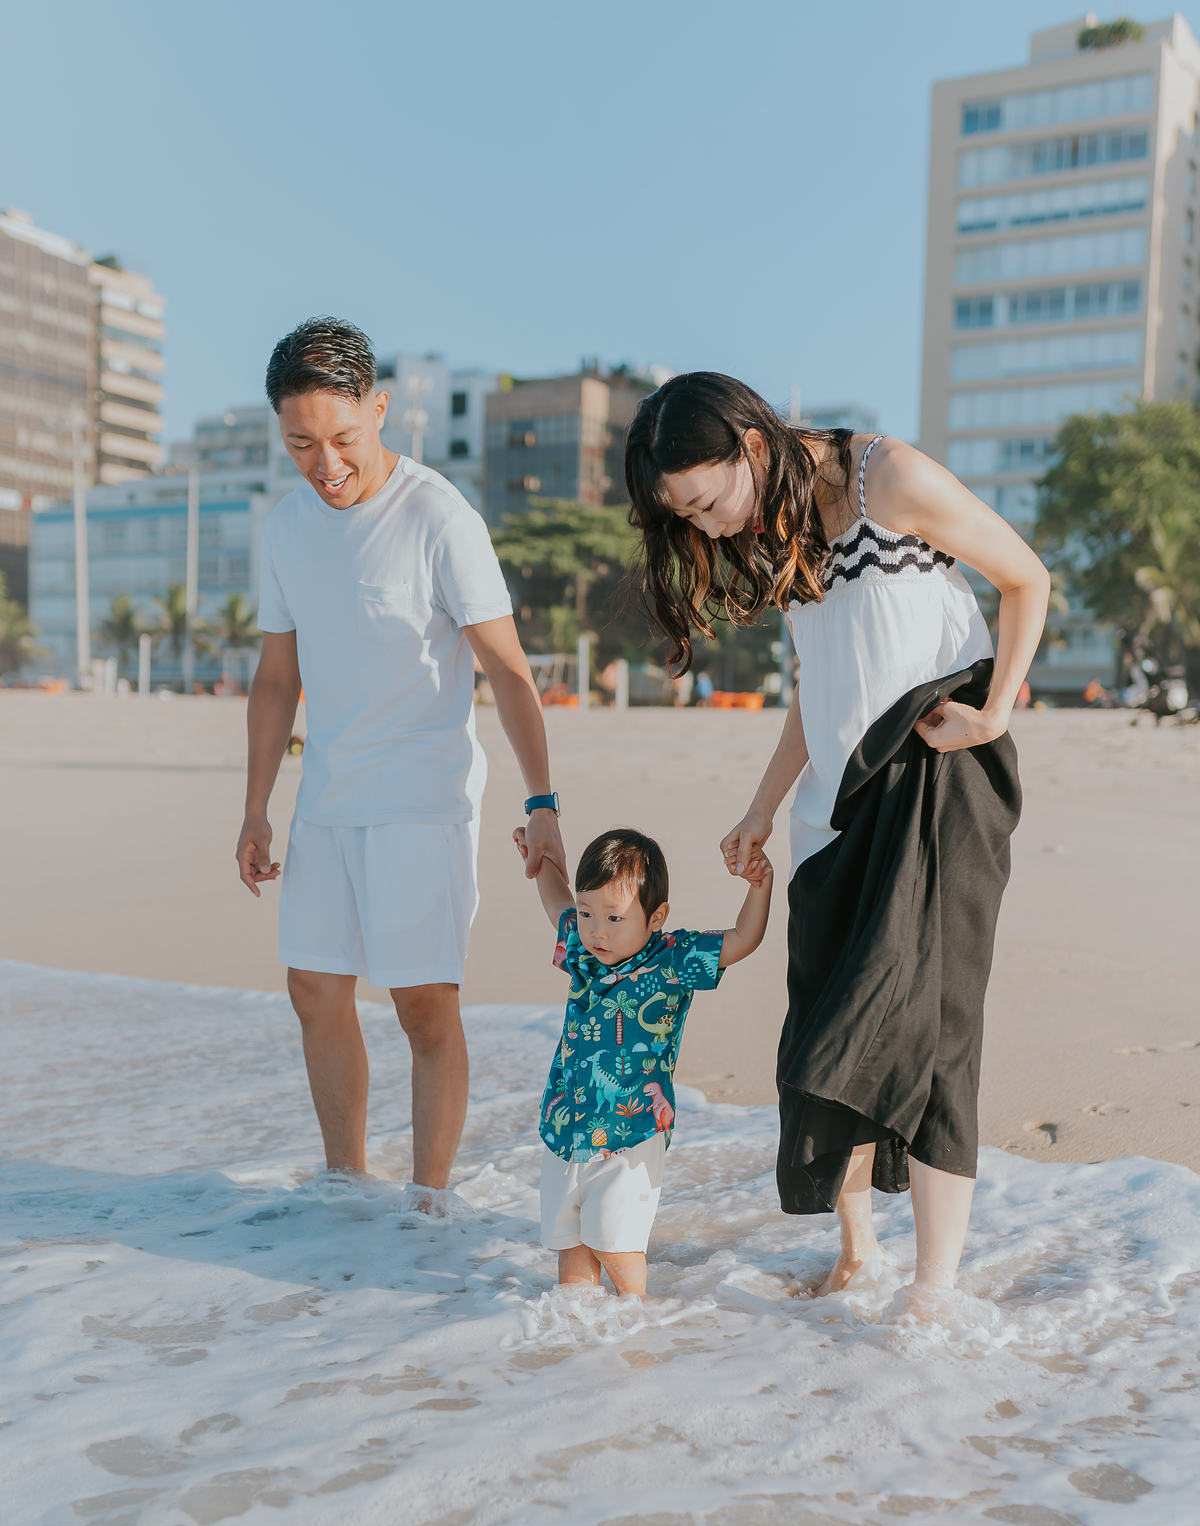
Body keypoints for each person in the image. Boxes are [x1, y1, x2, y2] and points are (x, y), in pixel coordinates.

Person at [624, 372, 1049, 1309]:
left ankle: (933, 1291)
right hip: (836, 803)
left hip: (939, 776)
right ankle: (860, 1253)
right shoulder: (782, 528)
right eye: (684, 516)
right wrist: (761, 807)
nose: (706, 526)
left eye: (706, 499)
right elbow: (818, 690)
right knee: (824, 1026)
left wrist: (995, 714)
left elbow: (1027, 578)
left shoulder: (887, 478)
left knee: (935, 1031)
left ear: (752, 441)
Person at [236, 317, 566, 1209]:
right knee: (313, 988)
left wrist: (543, 801)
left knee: (422, 1005)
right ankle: (347, 1183)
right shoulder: (286, 525)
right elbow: (276, 679)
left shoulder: (439, 517)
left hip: (423, 798)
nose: (326, 463)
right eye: (301, 443)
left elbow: (506, 669)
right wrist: (257, 806)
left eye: (343, 438)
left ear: (381, 410)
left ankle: (428, 1206)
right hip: (328, 796)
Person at [513, 825, 772, 1296]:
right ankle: (577, 1338)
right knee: (571, 1248)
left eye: (614, 919)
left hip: (631, 1130)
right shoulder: (584, 950)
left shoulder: (673, 959)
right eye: (588, 913)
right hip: (565, 1123)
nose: (595, 931)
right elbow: (557, 905)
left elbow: (741, 939)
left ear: (656, 918)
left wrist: (760, 888)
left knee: (616, 1243)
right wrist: (543, 860)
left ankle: (636, 1326)